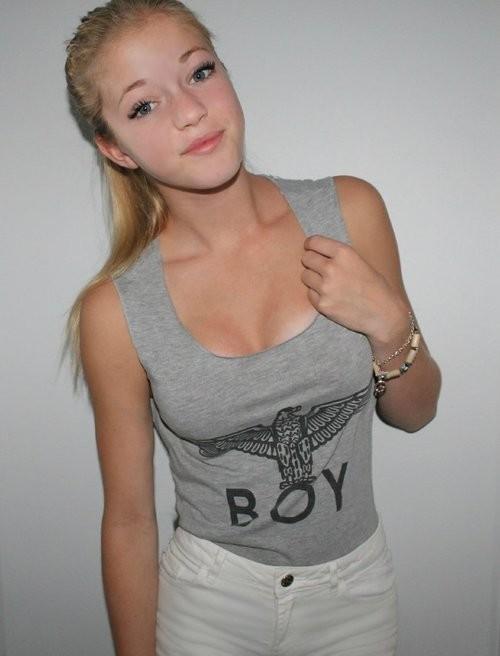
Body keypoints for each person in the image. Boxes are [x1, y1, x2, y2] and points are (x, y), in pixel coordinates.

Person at [63, 1, 441, 654]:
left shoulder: (350, 211)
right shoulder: (114, 312)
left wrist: (388, 324)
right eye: (143, 106)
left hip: (354, 595)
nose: (189, 110)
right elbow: (128, 520)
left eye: (199, 72)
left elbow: (417, 412)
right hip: (210, 603)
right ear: (115, 148)